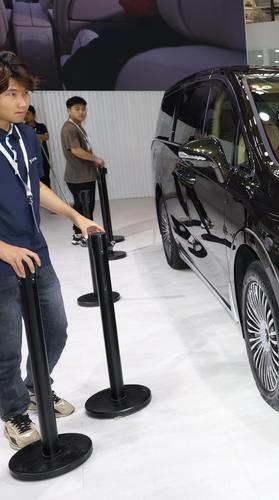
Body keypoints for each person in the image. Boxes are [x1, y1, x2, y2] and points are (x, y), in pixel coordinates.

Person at [0, 51, 102, 450]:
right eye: (11, 93)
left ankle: (35, 388)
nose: (21, 102)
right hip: (3, 262)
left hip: (37, 253)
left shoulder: (25, 135)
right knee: (6, 347)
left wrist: (77, 216)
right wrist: (3, 249)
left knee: (55, 329)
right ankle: (13, 413)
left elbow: (35, 187)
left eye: (24, 93)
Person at [61, 0, 189, 90]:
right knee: (85, 35)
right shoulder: (191, 46)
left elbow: (70, 75)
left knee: (72, 50)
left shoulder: (117, 41)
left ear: (153, 2)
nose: (120, 3)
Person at [61, 96, 106, 246]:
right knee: (84, 207)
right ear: (69, 110)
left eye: (83, 109)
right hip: (79, 177)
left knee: (83, 206)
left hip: (85, 175)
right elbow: (76, 150)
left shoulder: (77, 126)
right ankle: (83, 236)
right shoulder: (69, 128)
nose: (81, 112)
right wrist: (96, 159)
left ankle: (79, 234)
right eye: (77, 109)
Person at [24, 105, 52, 187]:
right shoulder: (22, 128)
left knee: (46, 181)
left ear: (33, 114)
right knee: (34, 183)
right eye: (24, 114)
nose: (26, 116)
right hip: (31, 160)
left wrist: (35, 136)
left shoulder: (41, 126)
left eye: (28, 114)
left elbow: (46, 137)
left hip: (43, 158)